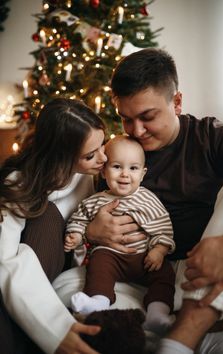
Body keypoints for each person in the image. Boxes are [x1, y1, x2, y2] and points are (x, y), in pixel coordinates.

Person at [80, 48, 223, 353]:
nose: (137, 131)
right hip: (138, 272)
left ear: (176, 102)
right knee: (71, 296)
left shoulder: (213, 138)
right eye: (126, 119)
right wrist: (90, 232)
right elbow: (88, 209)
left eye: (147, 117)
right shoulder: (118, 155)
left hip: (205, 266)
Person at [0, 98, 142, 354]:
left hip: (74, 258)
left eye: (103, 145)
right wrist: (54, 327)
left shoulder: (87, 176)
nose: (103, 159)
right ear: (61, 157)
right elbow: (4, 261)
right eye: (90, 155)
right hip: (36, 263)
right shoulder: (18, 184)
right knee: (43, 219)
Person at [64, 135, 176, 335]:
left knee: (165, 273)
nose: (125, 174)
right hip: (111, 256)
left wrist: (159, 250)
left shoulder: (147, 199)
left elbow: (163, 227)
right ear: (104, 172)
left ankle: (157, 313)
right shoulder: (95, 201)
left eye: (133, 168)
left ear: (142, 174)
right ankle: (97, 302)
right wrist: (76, 234)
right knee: (98, 264)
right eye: (117, 167)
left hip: (144, 257)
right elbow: (79, 219)